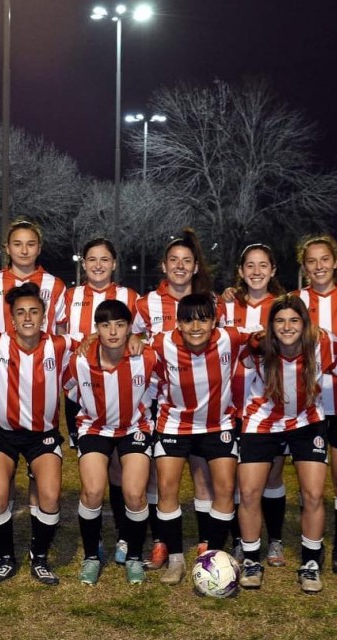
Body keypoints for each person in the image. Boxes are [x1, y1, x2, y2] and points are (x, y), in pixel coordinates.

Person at [134, 229, 231, 568]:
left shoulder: (213, 302)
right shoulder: (145, 303)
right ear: (164, 266)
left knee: (203, 476)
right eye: (173, 260)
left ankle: (207, 543)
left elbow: (225, 342)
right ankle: (162, 542)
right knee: (159, 477)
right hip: (162, 401)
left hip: (207, 406)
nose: (179, 266)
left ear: (195, 267)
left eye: (186, 261)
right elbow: (133, 342)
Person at [0, 282, 75, 584]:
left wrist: (132, 339)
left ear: (44, 316)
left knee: (50, 497)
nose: (27, 317)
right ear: (12, 318)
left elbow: (96, 342)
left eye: (33, 311)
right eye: (20, 312)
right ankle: (5, 556)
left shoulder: (61, 345)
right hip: (1, 434)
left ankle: (39, 557)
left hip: (42, 437)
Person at [237, 295, 334, 593]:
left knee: (313, 494)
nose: (287, 326)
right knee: (249, 492)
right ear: (270, 325)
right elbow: (229, 342)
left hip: (308, 421)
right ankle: (251, 559)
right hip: (263, 421)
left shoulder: (322, 343)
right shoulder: (258, 345)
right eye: (279, 321)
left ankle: (311, 563)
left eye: (294, 320)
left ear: (305, 324)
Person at [150, 293, 249, 585]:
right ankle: (176, 560)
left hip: (217, 425)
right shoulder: (161, 343)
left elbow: (264, 336)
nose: (196, 327)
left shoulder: (230, 338)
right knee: (167, 489)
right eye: (188, 320)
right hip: (174, 425)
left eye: (203, 320)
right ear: (178, 324)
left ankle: (213, 557)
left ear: (214, 322)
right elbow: (129, 342)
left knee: (225, 489)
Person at [61, 238, 140, 564]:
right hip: (83, 391)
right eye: (92, 259)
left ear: (114, 263)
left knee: (121, 467)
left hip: (121, 390)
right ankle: (94, 544)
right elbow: (56, 334)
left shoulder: (130, 297)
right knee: (93, 467)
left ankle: (123, 535)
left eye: (104, 259)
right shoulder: (69, 297)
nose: (98, 265)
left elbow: (141, 336)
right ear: (83, 263)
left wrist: (134, 337)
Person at [66, 299, 155, 585]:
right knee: (92, 492)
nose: (113, 332)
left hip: (134, 428)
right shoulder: (79, 360)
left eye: (120, 325)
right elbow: (68, 390)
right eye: (105, 325)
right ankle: (92, 555)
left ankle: (134, 556)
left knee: (135, 494)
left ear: (130, 328)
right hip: (95, 428)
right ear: (97, 329)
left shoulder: (147, 357)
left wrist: (140, 338)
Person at [219, 243, 288, 568]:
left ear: (272, 270)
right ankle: (239, 539)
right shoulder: (225, 305)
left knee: (273, 475)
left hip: (271, 407)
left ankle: (275, 539)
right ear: (241, 271)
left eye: (263, 265)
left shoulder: (283, 306)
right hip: (231, 404)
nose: (256, 271)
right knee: (238, 477)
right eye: (250, 265)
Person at [293, 235, 337, 575]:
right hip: (311, 406)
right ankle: (312, 538)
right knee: (314, 483)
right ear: (304, 267)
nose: (318, 266)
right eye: (311, 261)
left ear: (336, 262)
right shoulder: (295, 301)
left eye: (324, 259)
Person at [0, 219, 67, 334]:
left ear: (39, 248)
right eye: (17, 244)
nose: (24, 251)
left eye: (31, 244)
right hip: (0, 346)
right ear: (7, 248)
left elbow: (61, 329)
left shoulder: (55, 285)